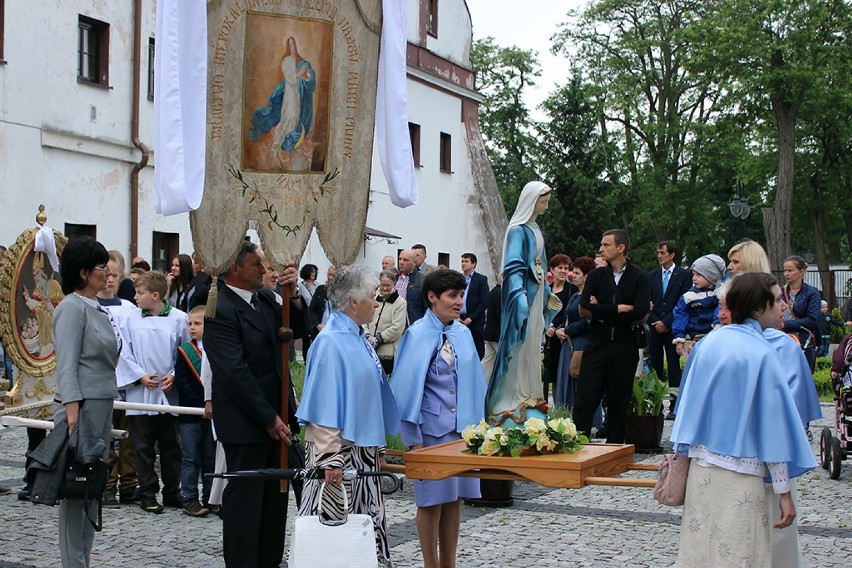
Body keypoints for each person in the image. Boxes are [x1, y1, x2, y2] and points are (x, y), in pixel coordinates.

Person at [671, 272, 816, 567]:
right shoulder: (762, 352)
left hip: (702, 470)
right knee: (740, 554)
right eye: (777, 300)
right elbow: (772, 428)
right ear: (758, 308)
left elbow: (687, 407)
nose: (784, 307)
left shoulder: (707, 343)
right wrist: (783, 490)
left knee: (702, 552)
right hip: (741, 474)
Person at [203, 240, 305, 568]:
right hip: (247, 421)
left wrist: (295, 295)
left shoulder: (265, 299)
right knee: (245, 507)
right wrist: (267, 417)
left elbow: (297, 330)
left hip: (278, 418)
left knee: (275, 503)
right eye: (256, 265)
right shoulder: (220, 309)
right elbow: (234, 372)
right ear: (235, 269)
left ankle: (270, 561)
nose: (264, 270)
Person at [296, 265, 400, 567]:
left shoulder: (356, 337)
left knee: (365, 528)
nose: (376, 302)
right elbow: (325, 404)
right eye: (372, 297)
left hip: (362, 451)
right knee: (334, 531)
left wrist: (378, 447)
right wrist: (330, 459)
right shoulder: (331, 342)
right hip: (339, 454)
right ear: (354, 302)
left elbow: (367, 397)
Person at [392, 268, 488, 568]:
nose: (459, 301)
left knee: (453, 499)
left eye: (461, 295)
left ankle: (449, 563)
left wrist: (479, 431)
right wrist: (413, 440)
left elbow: (474, 383)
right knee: (430, 501)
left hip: (462, 434)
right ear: (432, 298)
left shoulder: (463, 333)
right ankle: (430, 564)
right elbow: (406, 390)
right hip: (431, 434)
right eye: (452, 296)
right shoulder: (416, 334)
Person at [51, 236, 120, 568]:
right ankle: (72, 562)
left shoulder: (97, 307)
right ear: (82, 272)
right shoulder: (71, 308)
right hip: (81, 407)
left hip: (102, 404)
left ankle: (84, 559)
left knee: (92, 486)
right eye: (100, 266)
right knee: (75, 488)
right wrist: (72, 410)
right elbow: (66, 363)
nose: (106, 273)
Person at [486, 181, 562, 425]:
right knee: (519, 346)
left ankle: (530, 394)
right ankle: (511, 398)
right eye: (543, 201)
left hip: (537, 294)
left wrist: (548, 290)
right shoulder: (517, 230)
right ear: (531, 201)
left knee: (531, 346)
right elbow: (514, 266)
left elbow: (543, 264)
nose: (546, 206)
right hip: (523, 296)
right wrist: (518, 294)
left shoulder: (535, 228)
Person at [115, 270, 189, 513]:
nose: (135, 297)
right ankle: (147, 492)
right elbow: (123, 350)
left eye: (140, 292)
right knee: (142, 446)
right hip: (141, 391)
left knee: (170, 446)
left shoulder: (178, 318)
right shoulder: (131, 319)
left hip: (168, 393)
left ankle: (172, 491)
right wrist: (139, 375)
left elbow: (186, 352)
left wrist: (174, 375)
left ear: (156, 295)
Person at [573, 229, 649, 443]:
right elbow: (585, 308)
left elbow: (641, 312)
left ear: (620, 248)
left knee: (619, 402)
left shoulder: (639, 277)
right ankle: (578, 445)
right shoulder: (597, 275)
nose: (601, 249)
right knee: (586, 399)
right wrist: (617, 310)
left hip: (624, 346)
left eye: (606, 245)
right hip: (597, 343)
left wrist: (603, 313)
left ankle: (614, 450)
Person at [97, 254, 139, 508]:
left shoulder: (129, 308)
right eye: (106, 274)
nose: (110, 279)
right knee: (106, 439)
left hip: (130, 382)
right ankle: (107, 485)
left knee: (129, 439)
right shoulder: (90, 306)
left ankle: (129, 484)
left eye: (115, 275)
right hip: (104, 382)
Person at [249, 36, 317, 171]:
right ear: (288, 47)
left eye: (293, 45)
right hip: (290, 96)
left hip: (302, 99)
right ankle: (281, 144)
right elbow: (288, 80)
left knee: (296, 118)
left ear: (296, 47)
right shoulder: (287, 62)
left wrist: (306, 76)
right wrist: (298, 76)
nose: (292, 48)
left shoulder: (304, 64)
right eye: (289, 45)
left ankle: (288, 145)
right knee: (289, 116)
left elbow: (311, 79)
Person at [174, 306, 215, 518]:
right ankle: (190, 498)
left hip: (212, 414)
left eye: (197, 324)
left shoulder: (216, 348)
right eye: (190, 324)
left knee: (210, 457)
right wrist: (199, 404)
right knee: (190, 457)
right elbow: (182, 381)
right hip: (190, 413)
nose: (192, 328)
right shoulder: (184, 351)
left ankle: (211, 498)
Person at [647, 241, 692, 417]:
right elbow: (646, 301)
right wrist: (655, 321)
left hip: (672, 327)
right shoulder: (652, 276)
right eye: (658, 253)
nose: (659, 256)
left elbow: (683, 302)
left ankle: (675, 406)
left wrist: (666, 323)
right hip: (654, 327)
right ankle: (657, 405)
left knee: (674, 367)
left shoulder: (683, 276)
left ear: (672, 255)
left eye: (662, 253)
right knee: (655, 367)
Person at [554, 256, 595, 410]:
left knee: (578, 381)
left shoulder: (590, 297)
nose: (573, 275)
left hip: (580, 343)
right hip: (569, 343)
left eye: (577, 273)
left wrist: (567, 330)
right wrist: (557, 329)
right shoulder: (574, 295)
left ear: (587, 277)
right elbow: (566, 317)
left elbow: (587, 321)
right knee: (566, 381)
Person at [671, 254, 726, 360]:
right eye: (693, 275)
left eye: (699, 275)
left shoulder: (720, 294)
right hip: (696, 338)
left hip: (716, 336)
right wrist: (679, 338)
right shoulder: (688, 296)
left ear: (711, 276)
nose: (694, 278)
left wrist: (717, 324)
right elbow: (680, 316)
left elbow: (720, 309)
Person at [543, 253, 576, 401]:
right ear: (552, 270)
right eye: (560, 268)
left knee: (563, 377)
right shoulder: (546, 290)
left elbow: (569, 313)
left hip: (563, 338)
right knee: (551, 377)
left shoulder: (572, 290)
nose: (563, 271)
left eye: (566, 268)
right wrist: (546, 326)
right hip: (547, 339)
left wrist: (555, 326)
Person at [781, 256, 821, 370]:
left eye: (790, 270)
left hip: (804, 342)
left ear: (801, 272)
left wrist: (785, 324)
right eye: (785, 270)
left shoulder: (811, 292)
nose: (786, 274)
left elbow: (811, 320)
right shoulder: (780, 292)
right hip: (782, 339)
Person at [366, 270, 408, 376]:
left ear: (394, 284)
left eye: (388, 286)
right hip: (369, 346)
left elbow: (397, 328)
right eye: (382, 285)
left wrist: (378, 339)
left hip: (388, 351)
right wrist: (367, 336)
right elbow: (364, 320)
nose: (384, 288)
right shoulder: (373, 299)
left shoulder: (401, 303)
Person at [459, 253, 490, 359]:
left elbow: (484, 301)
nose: (463, 264)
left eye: (466, 261)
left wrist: (471, 317)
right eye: (462, 261)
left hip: (475, 320)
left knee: (477, 349)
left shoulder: (481, 279)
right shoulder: (458, 278)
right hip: (459, 319)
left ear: (474, 264)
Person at [480, 274, 502, 381]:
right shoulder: (499, 293)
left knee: (487, 361)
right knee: (504, 360)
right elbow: (501, 315)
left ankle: (479, 381)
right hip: (497, 334)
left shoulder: (495, 291)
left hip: (491, 333)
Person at [396, 249, 426, 324]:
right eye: (400, 259)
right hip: (393, 323)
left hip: (412, 324)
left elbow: (427, 307)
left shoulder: (422, 280)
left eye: (405, 260)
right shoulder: (393, 278)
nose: (401, 262)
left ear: (414, 262)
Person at [308, 265, 336, 339]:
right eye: (329, 274)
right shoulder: (320, 289)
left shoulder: (342, 293)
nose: (330, 278)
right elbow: (312, 309)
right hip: (320, 330)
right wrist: (317, 325)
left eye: (333, 275)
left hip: (335, 332)